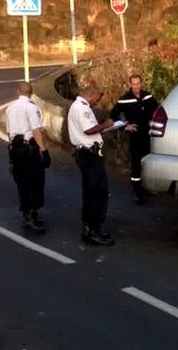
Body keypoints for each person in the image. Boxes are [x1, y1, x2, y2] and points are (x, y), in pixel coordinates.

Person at [67, 80, 116, 246]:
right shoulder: (82, 108)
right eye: (97, 99)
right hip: (89, 154)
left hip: (86, 153)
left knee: (92, 192)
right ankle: (92, 229)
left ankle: (92, 228)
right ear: (92, 95)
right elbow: (89, 130)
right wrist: (106, 125)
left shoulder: (78, 107)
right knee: (97, 192)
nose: (97, 103)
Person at [6, 81, 51, 233]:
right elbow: (36, 130)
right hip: (29, 149)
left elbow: (9, 132)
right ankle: (32, 215)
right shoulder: (32, 108)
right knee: (35, 181)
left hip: (16, 148)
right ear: (31, 92)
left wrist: (11, 152)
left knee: (22, 181)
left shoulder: (10, 108)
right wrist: (44, 150)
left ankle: (27, 213)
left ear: (18, 91)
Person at [110, 74, 159, 204]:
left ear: (141, 83)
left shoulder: (148, 97)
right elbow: (113, 115)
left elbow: (158, 110)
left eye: (138, 83)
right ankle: (136, 190)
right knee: (136, 163)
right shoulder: (124, 99)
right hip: (135, 135)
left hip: (148, 134)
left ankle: (147, 186)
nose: (136, 86)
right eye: (134, 84)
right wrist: (125, 126)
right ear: (130, 84)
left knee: (147, 161)